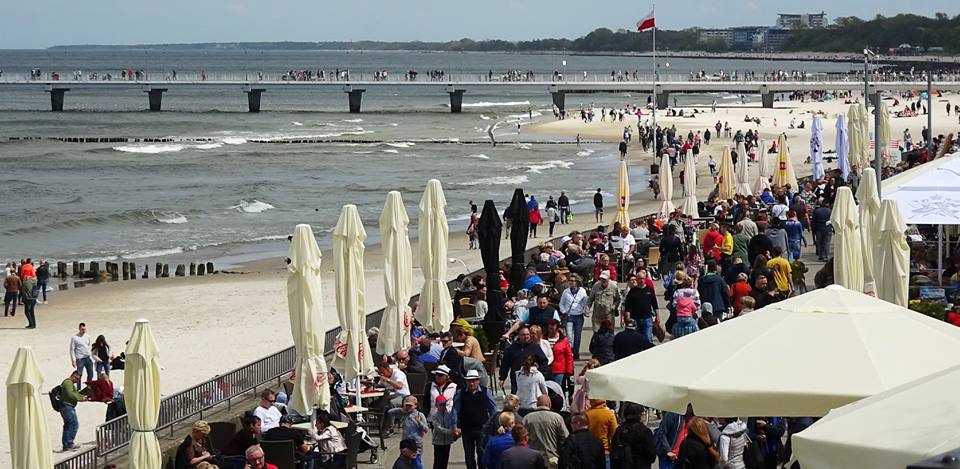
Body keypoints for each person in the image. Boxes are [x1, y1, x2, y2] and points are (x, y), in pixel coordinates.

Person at [453, 369, 496, 469]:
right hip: (466, 428)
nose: (471, 383)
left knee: (482, 453)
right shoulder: (461, 393)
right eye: (469, 380)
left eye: (474, 380)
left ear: (478, 381)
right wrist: (455, 426)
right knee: (469, 455)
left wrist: (494, 424)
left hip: (482, 428)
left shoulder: (485, 392)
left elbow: (493, 409)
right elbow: (455, 410)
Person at [499, 326, 548, 394]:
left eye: (527, 334)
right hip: (516, 380)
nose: (526, 336)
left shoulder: (535, 347)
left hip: (531, 379)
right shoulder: (512, 348)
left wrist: (541, 374)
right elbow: (505, 364)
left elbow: (544, 361)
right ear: (519, 335)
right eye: (523, 335)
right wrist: (502, 378)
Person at [523, 395, 568, 464]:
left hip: (532, 458)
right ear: (549, 404)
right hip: (552, 457)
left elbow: (521, 437)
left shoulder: (527, 418)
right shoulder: (557, 418)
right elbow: (565, 437)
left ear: (537, 404)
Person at [610, 402, 656, 469]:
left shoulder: (619, 430)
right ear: (640, 415)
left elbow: (613, 449)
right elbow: (652, 456)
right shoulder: (645, 431)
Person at [387, 395, 429, 469]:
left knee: (417, 463)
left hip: (416, 444)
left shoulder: (420, 415)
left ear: (415, 405)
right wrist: (401, 409)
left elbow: (426, 429)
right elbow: (390, 412)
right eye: (407, 405)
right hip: (405, 443)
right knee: (404, 463)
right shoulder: (404, 414)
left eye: (410, 405)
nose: (408, 407)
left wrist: (419, 422)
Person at [559, 276, 589, 359]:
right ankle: (570, 352)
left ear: (577, 282)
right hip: (569, 316)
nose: (571, 282)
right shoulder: (566, 291)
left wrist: (585, 310)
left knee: (577, 336)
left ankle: (576, 353)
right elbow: (561, 303)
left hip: (579, 316)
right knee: (569, 336)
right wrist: (564, 311)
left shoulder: (582, 291)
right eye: (570, 280)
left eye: (573, 281)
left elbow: (585, 302)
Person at [58, 370, 87, 452]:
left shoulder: (70, 384)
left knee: (68, 425)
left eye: (78, 379)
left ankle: (66, 445)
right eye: (76, 378)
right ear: (73, 375)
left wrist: (82, 395)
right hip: (67, 406)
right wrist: (81, 398)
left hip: (67, 406)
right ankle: (69, 443)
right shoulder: (68, 382)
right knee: (73, 424)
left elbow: (74, 393)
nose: (77, 380)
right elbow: (70, 394)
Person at [428, 395, 456, 469]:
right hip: (438, 442)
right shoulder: (434, 416)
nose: (443, 406)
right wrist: (451, 431)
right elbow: (438, 428)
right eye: (441, 404)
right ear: (437, 405)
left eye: (444, 404)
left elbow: (451, 423)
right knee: (438, 461)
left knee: (445, 460)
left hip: (447, 441)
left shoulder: (448, 414)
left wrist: (453, 430)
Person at [546, 319, 573, 387]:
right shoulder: (543, 338)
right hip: (546, 368)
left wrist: (569, 370)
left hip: (559, 370)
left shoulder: (564, 340)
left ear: (558, 329)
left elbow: (569, 355)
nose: (550, 331)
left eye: (553, 329)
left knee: (557, 388)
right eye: (549, 328)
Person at [70, 323, 94, 390]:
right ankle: (79, 389)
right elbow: (72, 349)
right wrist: (73, 360)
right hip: (80, 359)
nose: (83, 331)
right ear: (79, 329)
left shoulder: (88, 336)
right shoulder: (75, 338)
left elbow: (88, 346)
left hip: (87, 357)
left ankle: (89, 388)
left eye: (85, 329)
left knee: (91, 374)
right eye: (82, 329)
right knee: (79, 375)